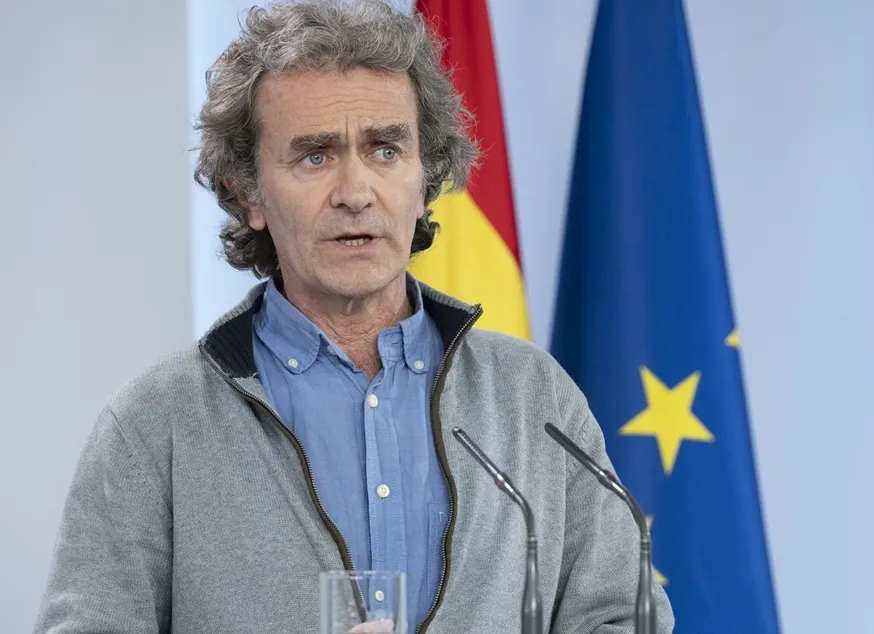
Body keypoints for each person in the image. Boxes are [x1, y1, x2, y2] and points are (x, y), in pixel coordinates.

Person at [33, 1, 675, 632]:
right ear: (246, 190)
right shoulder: (154, 424)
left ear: (426, 179)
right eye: (314, 156)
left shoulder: (535, 397)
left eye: (386, 150)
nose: (355, 192)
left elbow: (624, 619)